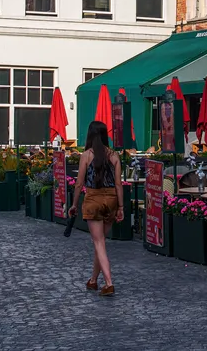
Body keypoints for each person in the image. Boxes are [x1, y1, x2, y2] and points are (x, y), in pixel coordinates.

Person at [75, 120, 123, 297]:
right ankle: (93, 280)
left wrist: (73, 204)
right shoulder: (114, 156)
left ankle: (109, 283)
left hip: (93, 198)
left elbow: (79, 183)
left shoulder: (87, 155)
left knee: (99, 242)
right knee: (100, 241)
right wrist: (121, 207)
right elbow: (118, 184)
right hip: (111, 199)